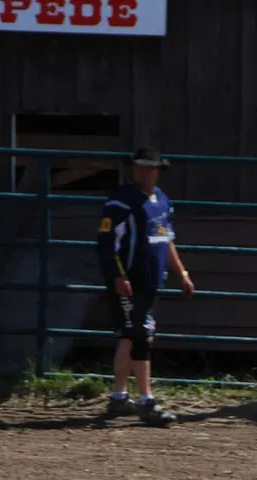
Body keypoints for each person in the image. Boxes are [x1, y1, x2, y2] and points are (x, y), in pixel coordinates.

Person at [95, 147, 195, 427]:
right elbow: (106, 243)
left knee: (132, 335)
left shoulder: (161, 200)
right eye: (140, 167)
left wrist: (181, 273)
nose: (144, 172)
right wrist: (117, 276)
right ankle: (146, 400)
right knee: (140, 335)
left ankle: (119, 396)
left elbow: (167, 240)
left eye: (150, 168)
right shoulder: (121, 201)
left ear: (158, 170)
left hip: (151, 282)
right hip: (130, 282)